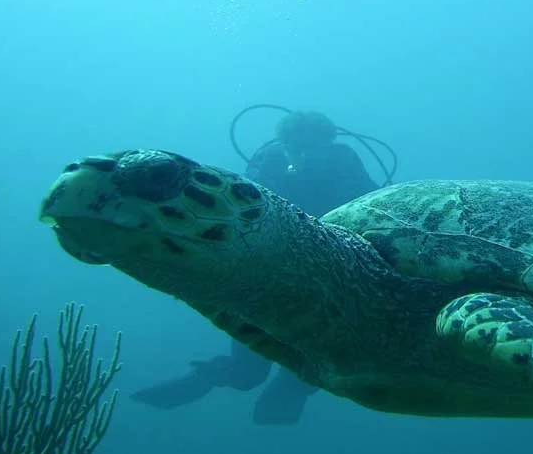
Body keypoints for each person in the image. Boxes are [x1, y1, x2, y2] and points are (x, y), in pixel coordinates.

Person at [130, 109, 393, 424]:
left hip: (330, 277)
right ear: (284, 145)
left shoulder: (344, 161)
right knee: (246, 375)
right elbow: (236, 206)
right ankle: (207, 377)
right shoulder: (269, 162)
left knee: (317, 366)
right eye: (296, 147)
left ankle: (291, 389)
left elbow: (378, 207)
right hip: (267, 274)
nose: (305, 154)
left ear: (329, 143)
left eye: (314, 147)